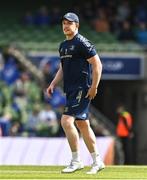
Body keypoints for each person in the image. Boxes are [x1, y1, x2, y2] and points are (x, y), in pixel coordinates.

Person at [47, 12, 105, 174]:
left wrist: (94, 86)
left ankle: (76, 160)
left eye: (69, 23)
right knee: (83, 125)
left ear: (76, 25)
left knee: (66, 121)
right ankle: (97, 161)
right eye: (64, 23)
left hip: (82, 89)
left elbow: (97, 65)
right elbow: (63, 67)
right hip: (70, 90)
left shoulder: (82, 43)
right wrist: (53, 83)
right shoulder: (63, 45)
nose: (66, 26)